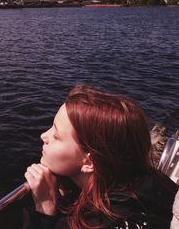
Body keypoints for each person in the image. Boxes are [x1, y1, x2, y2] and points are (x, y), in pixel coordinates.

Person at [23, 84, 178, 229]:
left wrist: (45, 209)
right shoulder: (151, 181)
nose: (43, 135)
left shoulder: (98, 223)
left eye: (56, 136)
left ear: (89, 162)